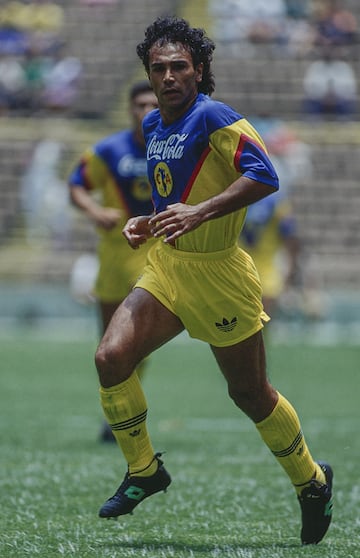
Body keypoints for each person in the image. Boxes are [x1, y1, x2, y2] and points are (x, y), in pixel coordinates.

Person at [94, 16, 333, 545]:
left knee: (249, 393)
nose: (169, 76)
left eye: (179, 66)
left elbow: (265, 174)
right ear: (149, 75)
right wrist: (148, 220)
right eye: (158, 68)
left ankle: (312, 482)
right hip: (169, 268)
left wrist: (199, 213)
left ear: (199, 71)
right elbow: (172, 195)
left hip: (221, 273)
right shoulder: (155, 125)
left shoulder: (215, 117)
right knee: (111, 357)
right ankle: (143, 471)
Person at [68, 80, 158, 441]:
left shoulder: (173, 147)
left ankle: (125, 415)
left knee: (133, 340)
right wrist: (94, 210)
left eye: (152, 104)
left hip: (151, 257)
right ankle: (117, 413)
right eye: (139, 105)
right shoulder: (108, 150)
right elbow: (76, 184)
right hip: (111, 257)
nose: (146, 111)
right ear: (129, 109)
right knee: (108, 344)